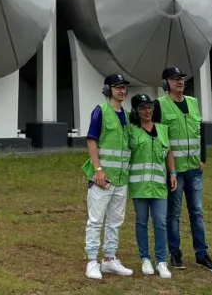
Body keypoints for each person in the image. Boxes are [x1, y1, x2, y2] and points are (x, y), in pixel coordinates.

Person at [157, 66, 212, 274]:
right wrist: (167, 168)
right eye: (175, 79)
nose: (180, 82)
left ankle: (202, 254)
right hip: (175, 171)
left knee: (197, 213)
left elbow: (199, 132)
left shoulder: (193, 103)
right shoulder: (160, 105)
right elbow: (158, 138)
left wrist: (203, 158)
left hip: (194, 169)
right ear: (166, 83)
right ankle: (174, 253)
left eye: (181, 78)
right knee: (173, 214)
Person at [82, 73, 134, 280]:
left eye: (124, 87)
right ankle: (92, 261)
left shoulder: (128, 116)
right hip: (102, 179)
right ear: (108, 90)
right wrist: (97, 170)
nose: (122, 91)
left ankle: (110, 259)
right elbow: (91, 141)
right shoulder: (101, 111)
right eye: (117, 87)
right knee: (95, 220)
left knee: (115, 221)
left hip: (121, 179)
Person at [128, 92, 177, 279]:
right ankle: (144, 258)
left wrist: (172, 173)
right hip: (139, 186)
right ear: (136, 111)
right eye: (142, 108)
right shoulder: (132, 131)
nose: (147, 111)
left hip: (159, 187)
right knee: (141, 222)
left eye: (149, 107)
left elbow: (169, 152)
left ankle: (161, 261)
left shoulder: (163, 129)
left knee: (160, 222)